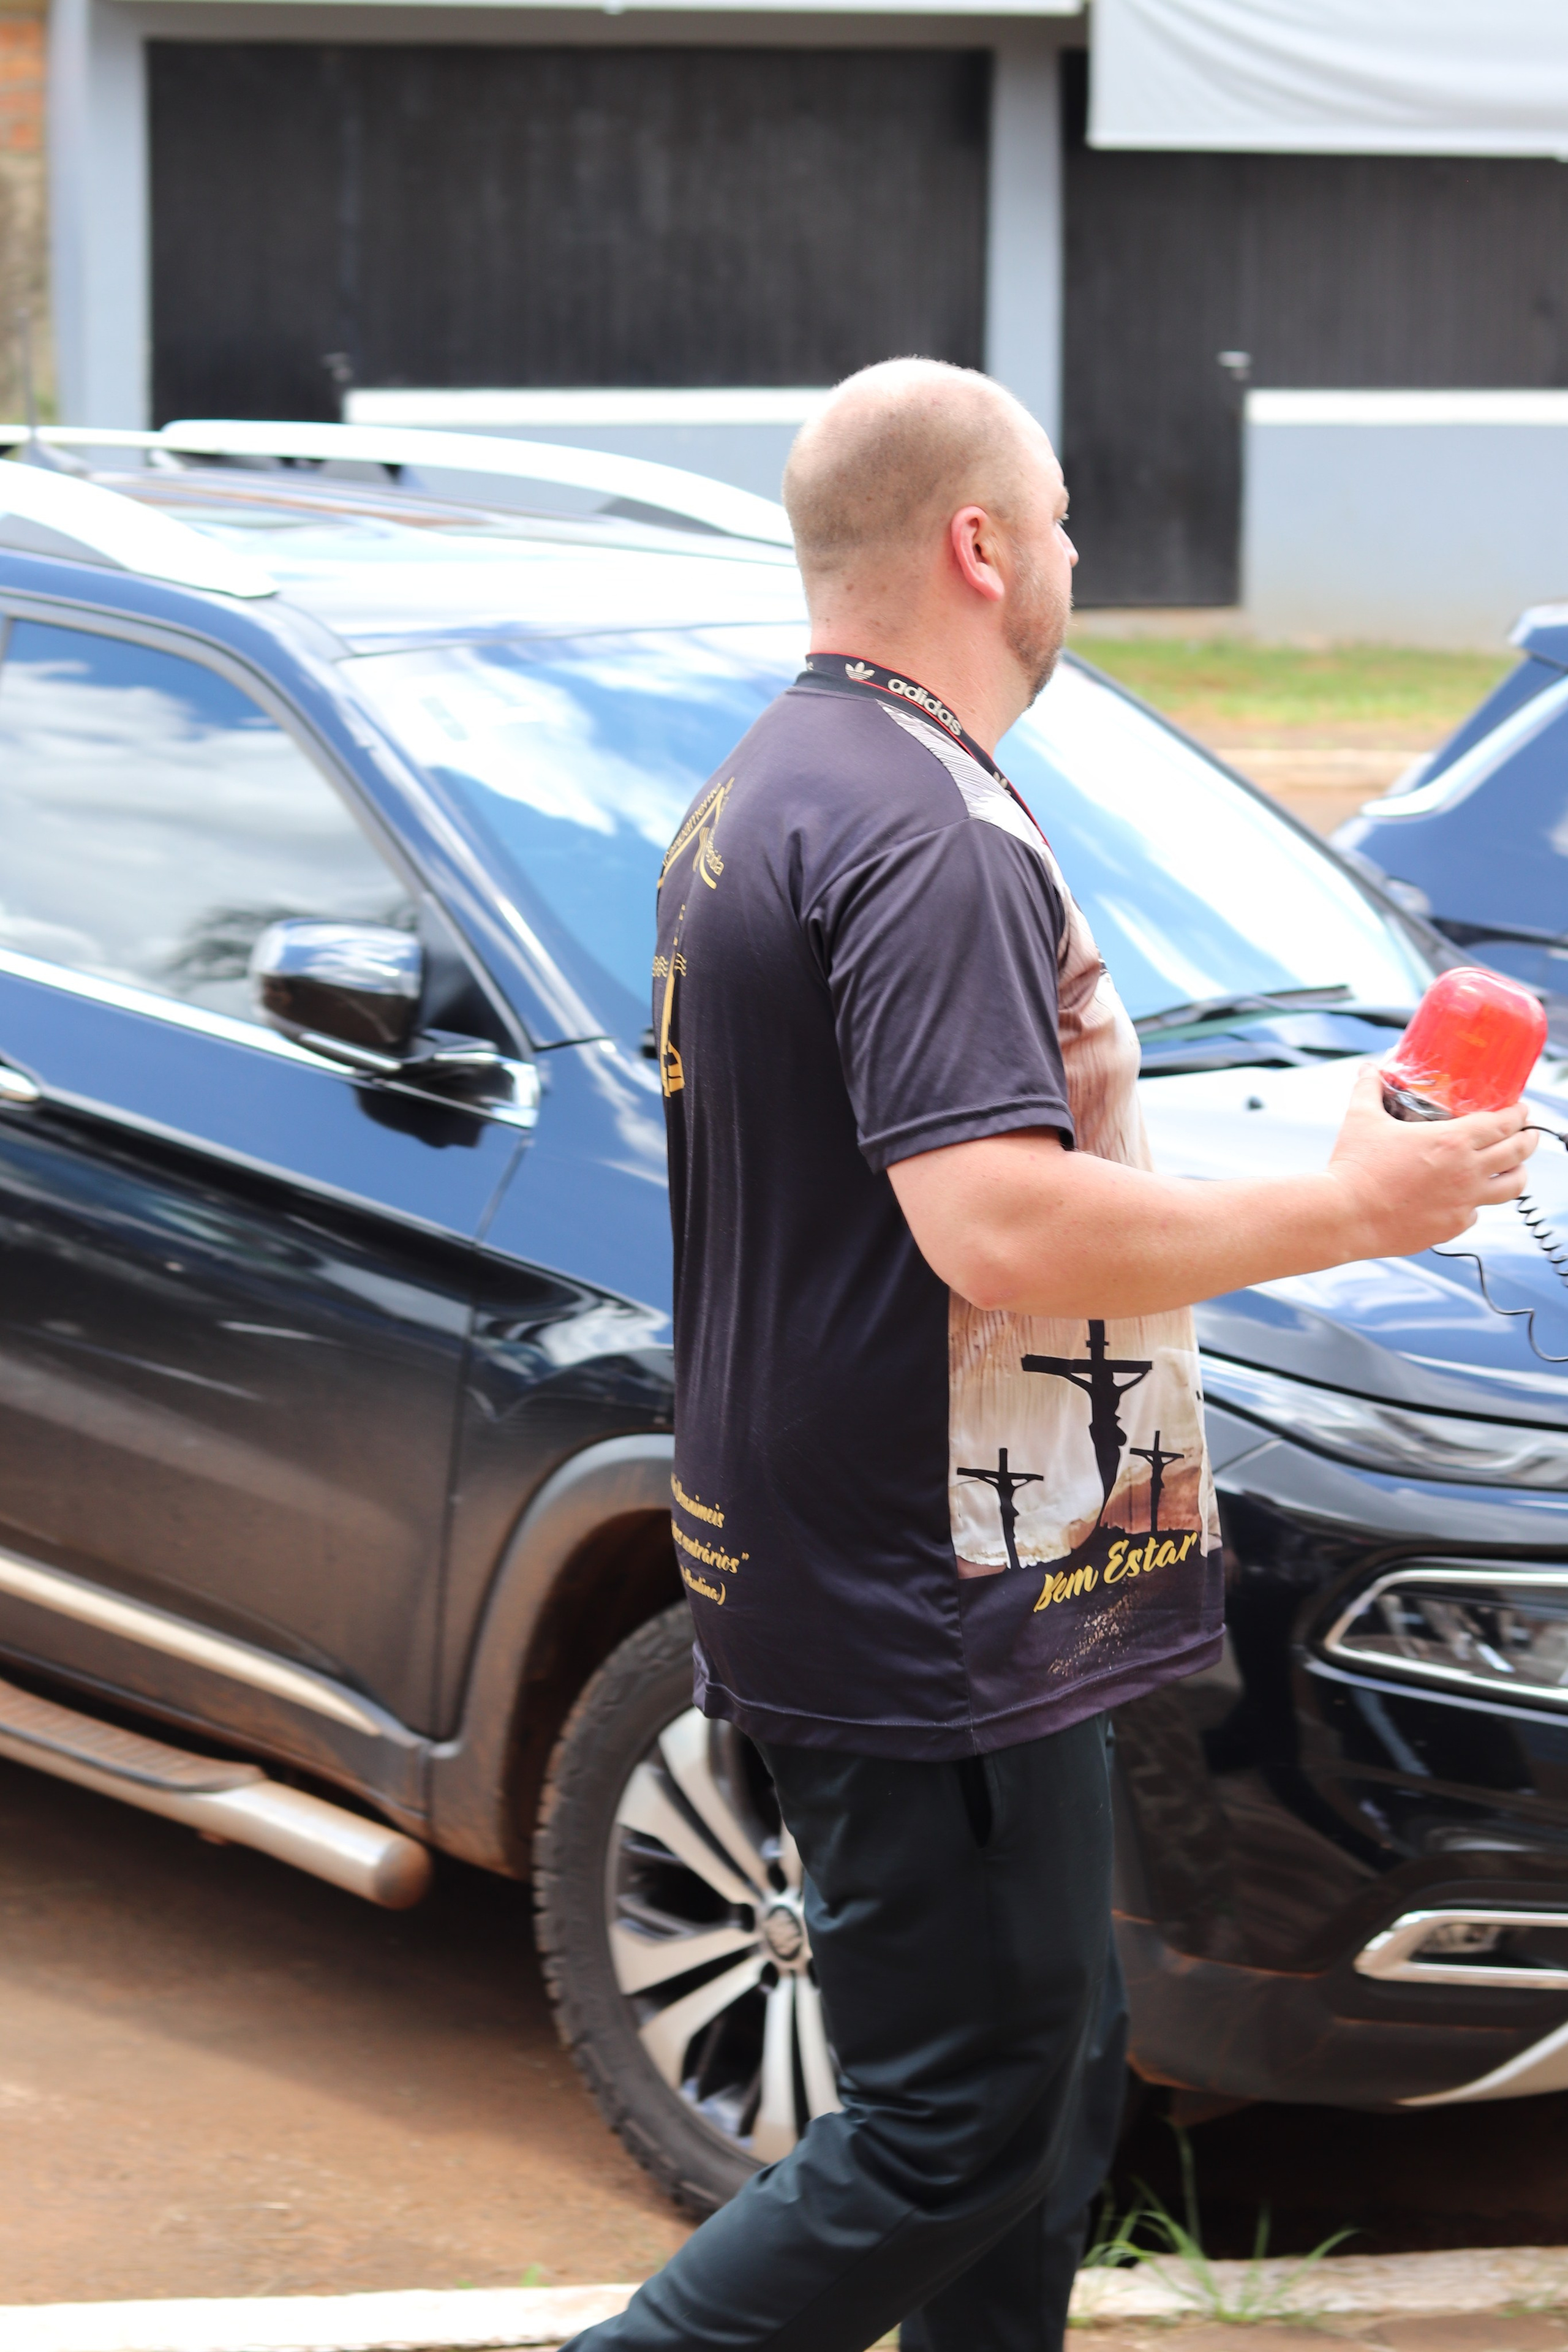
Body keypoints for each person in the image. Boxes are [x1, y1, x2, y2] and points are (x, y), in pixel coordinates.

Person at [573, 359, 1534, 2352]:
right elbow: (992, 1221)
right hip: (931, 1588)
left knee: (1057, 2072)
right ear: (979, 543)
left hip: (874, 1550)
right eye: (1069, 515)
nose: (1083, 554)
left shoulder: (769, 785)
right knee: (949, 2128)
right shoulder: (928, 827)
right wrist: (1357, 1213)